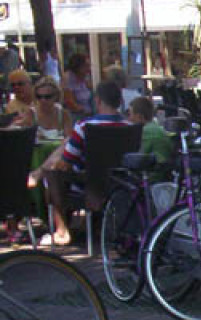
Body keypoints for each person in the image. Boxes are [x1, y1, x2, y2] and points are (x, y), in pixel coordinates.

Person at [33, 81, 129, 247]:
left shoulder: (84, 126)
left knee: (54, 176)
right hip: (120, 185)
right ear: (120, 102)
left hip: (90, 186)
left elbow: (66, 163)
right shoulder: (131, 127)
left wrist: (53, 165)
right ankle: (95, 226)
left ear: (97, 101)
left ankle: (62, 230)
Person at [128, 96, 174, 168]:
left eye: (130, 114)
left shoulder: (147, 131)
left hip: (153, 174)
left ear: (140, 116)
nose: (129, 118)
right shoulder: (157, 127)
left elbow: (139, 157)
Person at [30, 77, 71, 144]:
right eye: (39, 97)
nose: (42, 100)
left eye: (47, 97)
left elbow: (68, 139)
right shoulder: (31, 113)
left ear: (56, 96)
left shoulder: (63, 114)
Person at [62, 52, 93, 119]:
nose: (89, 69)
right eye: (86, 66)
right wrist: (85, 111)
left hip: (89, 113)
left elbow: (91, 93)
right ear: (78, 67)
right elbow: (69, 102)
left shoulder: (86, 76)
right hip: (76, 115)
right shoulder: (68, 78)